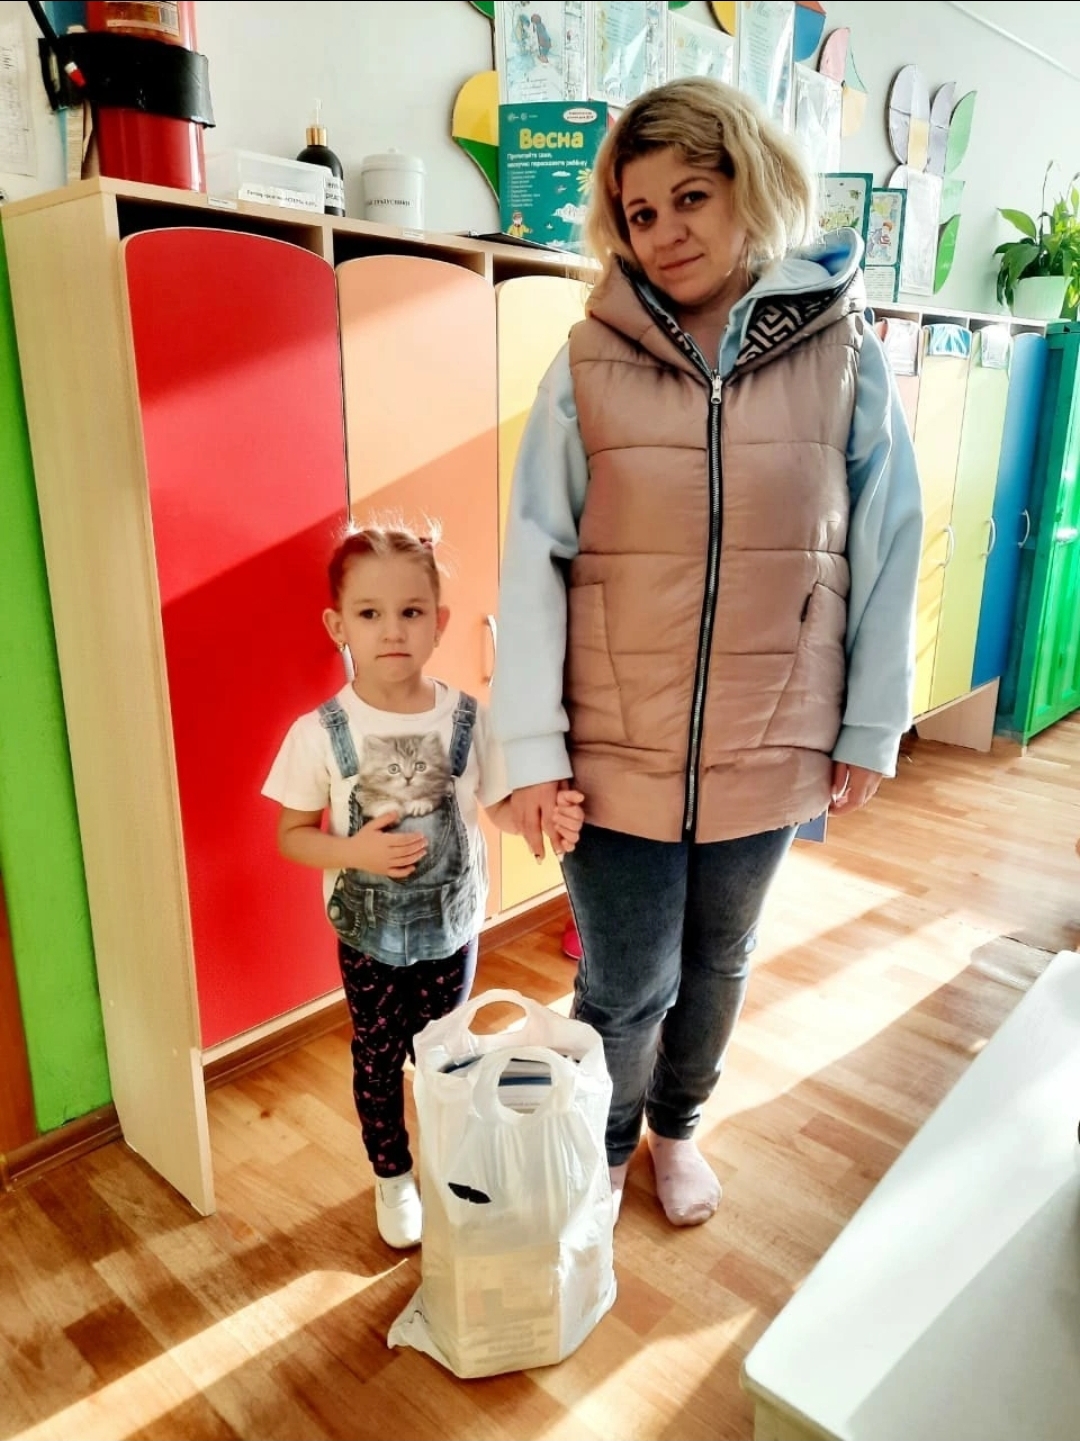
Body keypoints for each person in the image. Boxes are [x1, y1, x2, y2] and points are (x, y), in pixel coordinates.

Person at [491, 78, 923, 1228]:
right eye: (641, 212)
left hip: (772, 732)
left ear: (751, 190)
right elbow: (532, 556)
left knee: (720, 962)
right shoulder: (588, 361)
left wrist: (870, 722)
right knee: (625, 979)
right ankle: (605, 1140)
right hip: (612, 748)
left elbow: (886, 540)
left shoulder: (843, 354)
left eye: (692, 196)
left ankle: (677, 1127)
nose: (667, 230)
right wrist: (529, 749)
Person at [262, 522, 584, 1248]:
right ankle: (392, 1174)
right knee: (378, 1060)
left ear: (438, 623)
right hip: (368, 939)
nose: (392, 631)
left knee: (446, 1056)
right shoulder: (321, 732)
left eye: (411, 611)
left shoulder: (468, 718)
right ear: (338, 626)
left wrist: (544, 815)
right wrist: (354, 852)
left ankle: (450, 1161)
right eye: (369, 613)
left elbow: (498, 808)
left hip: (451, 931)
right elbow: (291, 834)